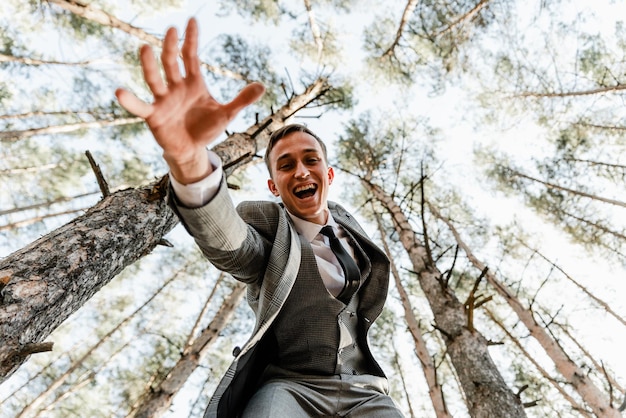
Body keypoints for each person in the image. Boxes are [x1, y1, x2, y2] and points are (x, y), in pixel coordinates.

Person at [116, 18, 404, 418]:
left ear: (329, 174)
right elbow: (230, 244)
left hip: (366, 391)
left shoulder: (352, 234)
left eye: (310, 160)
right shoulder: (268, 229)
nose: (301, 171)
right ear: (274, 187)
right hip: (288, 386)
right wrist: (189, 160)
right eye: (285, 166)